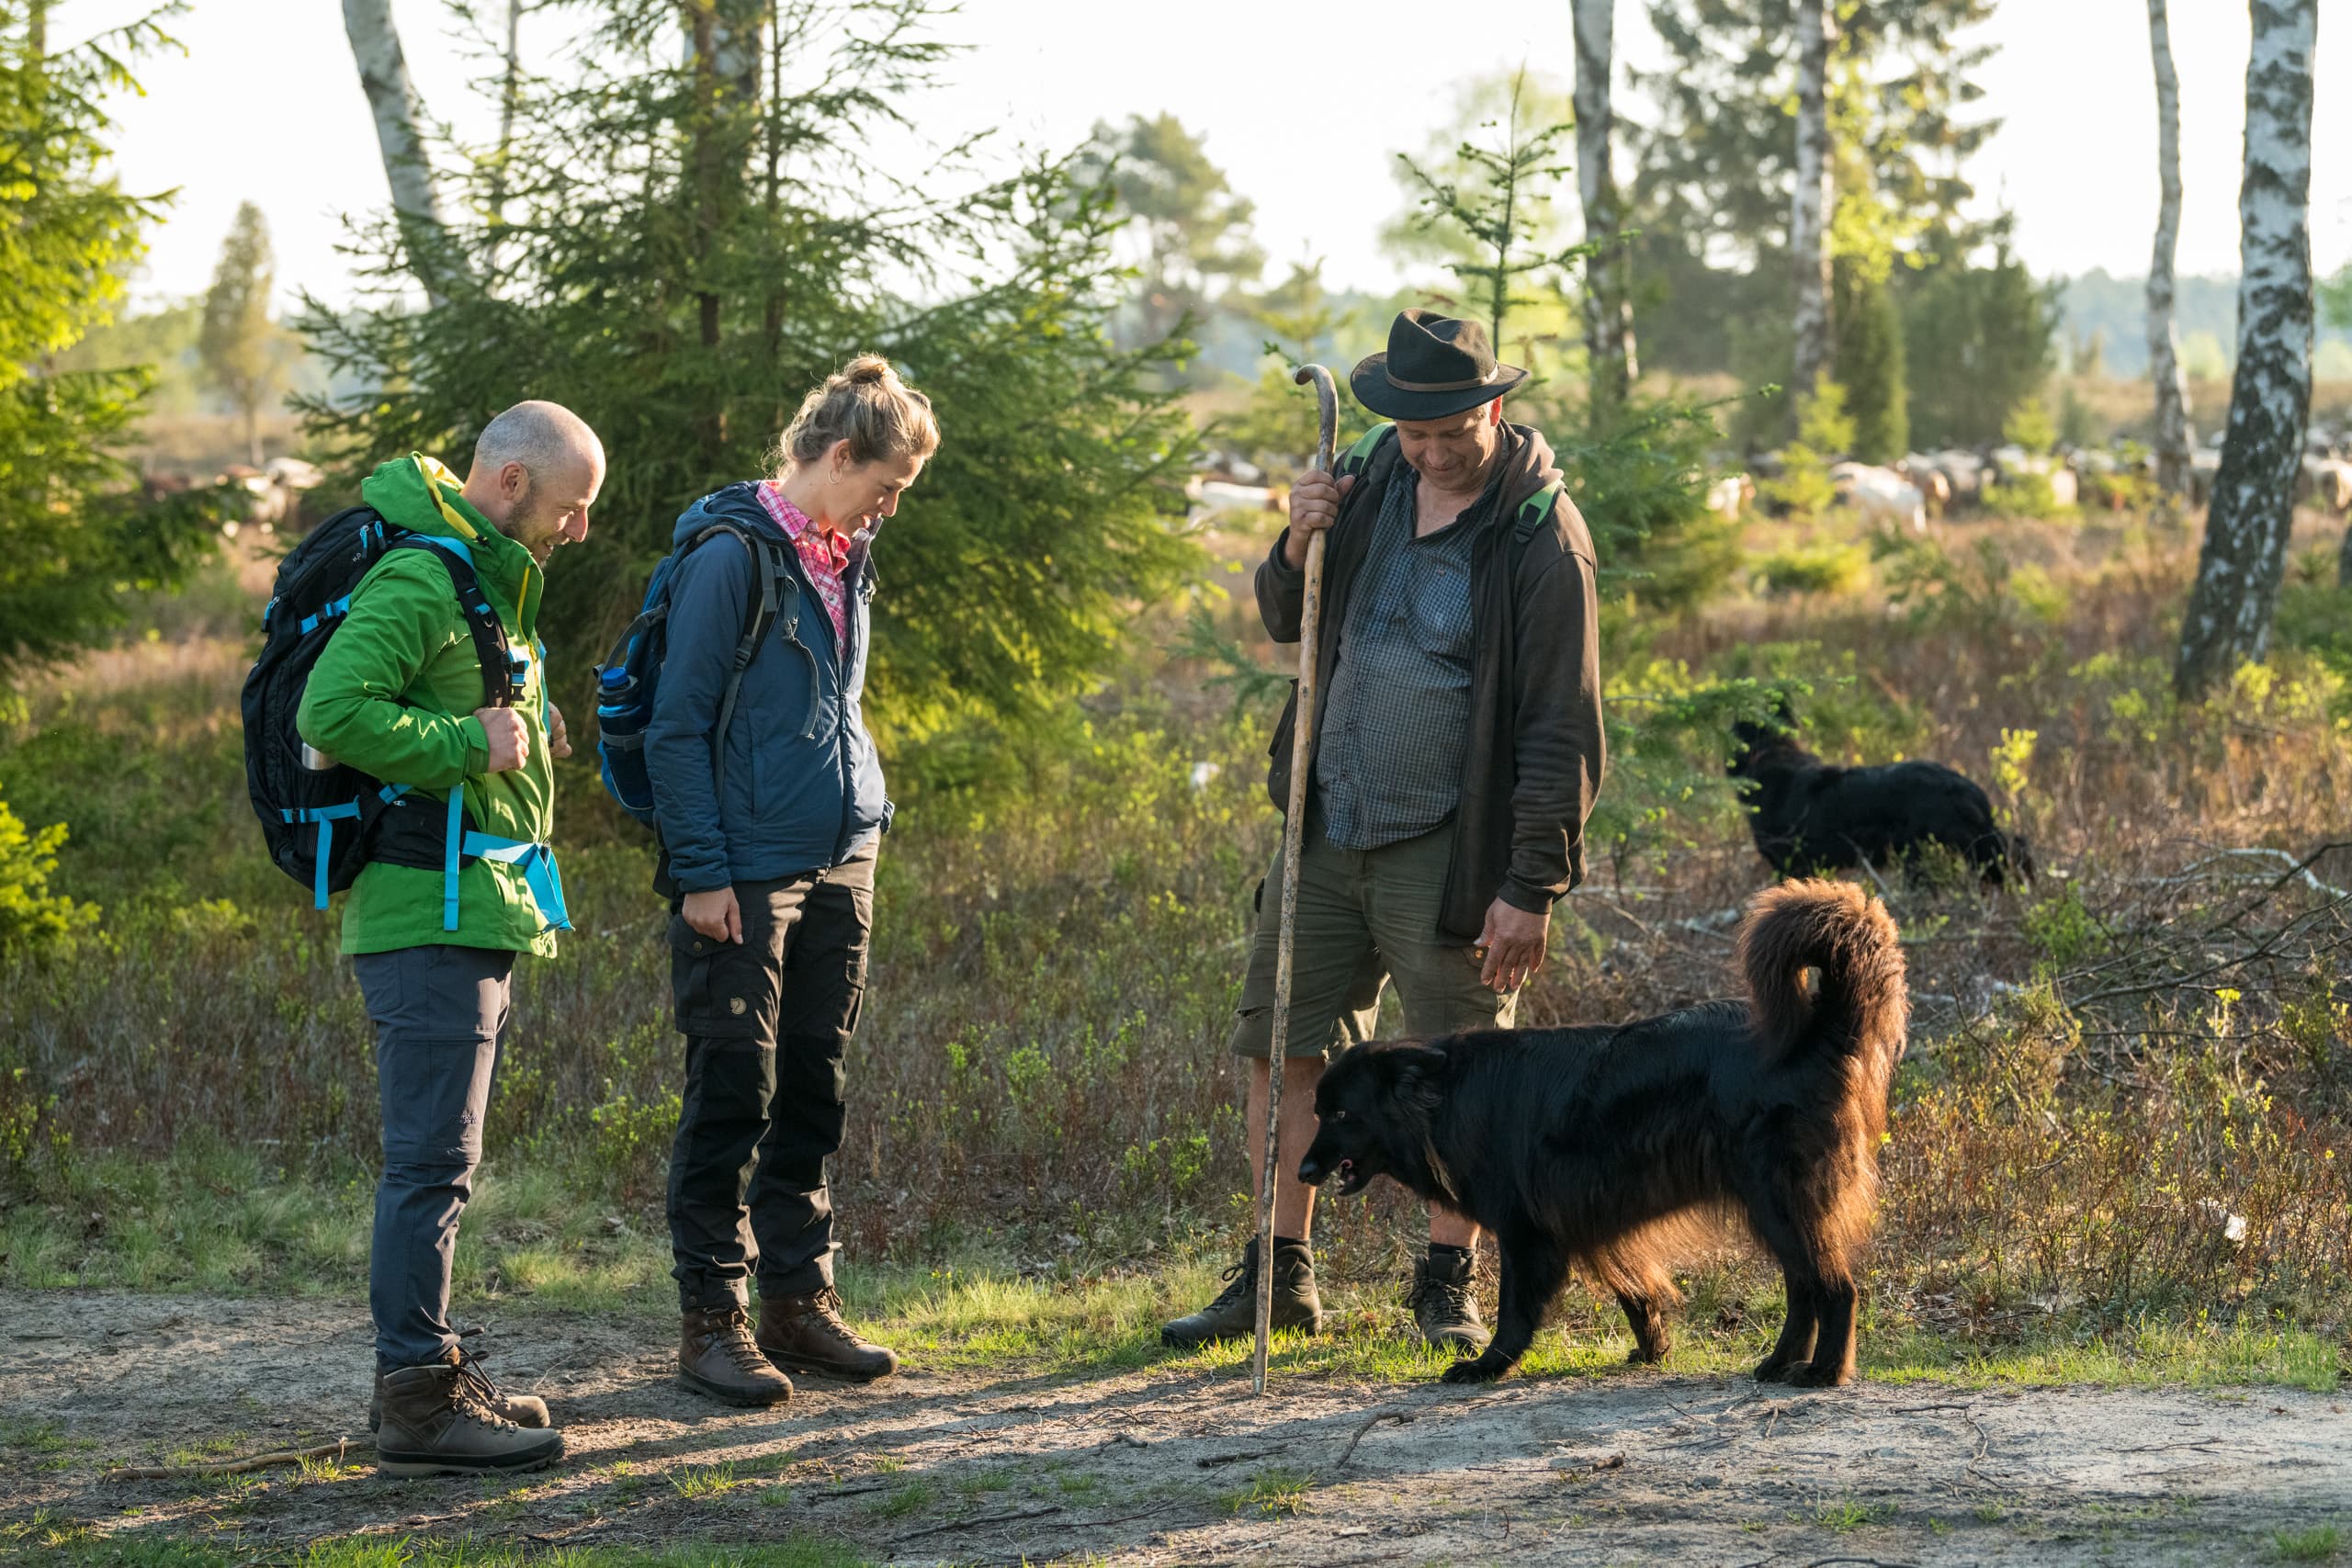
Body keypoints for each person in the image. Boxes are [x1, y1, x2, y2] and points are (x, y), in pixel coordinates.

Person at [1160, 310, 1606, 1356]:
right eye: (1416, 433)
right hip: (1325, 824)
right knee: (1282, 1043)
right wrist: (1295, 538)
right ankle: (1278, 1274)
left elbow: (1563, 723)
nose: (1434, 452)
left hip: (1448, 847)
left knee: (1460, 1070)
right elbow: (1287, 616)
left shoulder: (1539, 534)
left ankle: (1449, 1281)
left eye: (1453, 430)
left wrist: (1531, 885)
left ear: (1495, 406)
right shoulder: (1363, 477)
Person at [297, 402, 605, 1475]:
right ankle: (419, 1404)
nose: (579, 530)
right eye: (571, 507)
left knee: (444, 1165)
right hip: (422, 916)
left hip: (473, 909)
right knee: (429, 1167)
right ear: (511, 482)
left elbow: (462, 717)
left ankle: (428, 1378)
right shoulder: (425, 578)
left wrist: (523, 728)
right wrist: (469, 740)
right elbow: (332, 713)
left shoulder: (484, 586)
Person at [644, 355, 937, 1406]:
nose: (889, 509)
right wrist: (701, 874)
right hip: (746, 866)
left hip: (843, 854)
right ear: (840, 455)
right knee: (735, 1088)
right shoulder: (732, 555)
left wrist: (863, 823)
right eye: (886, 486)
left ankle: (796, 1302)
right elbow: (676, 728)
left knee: (816, 1081)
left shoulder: (844, 557)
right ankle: (711, 1320)